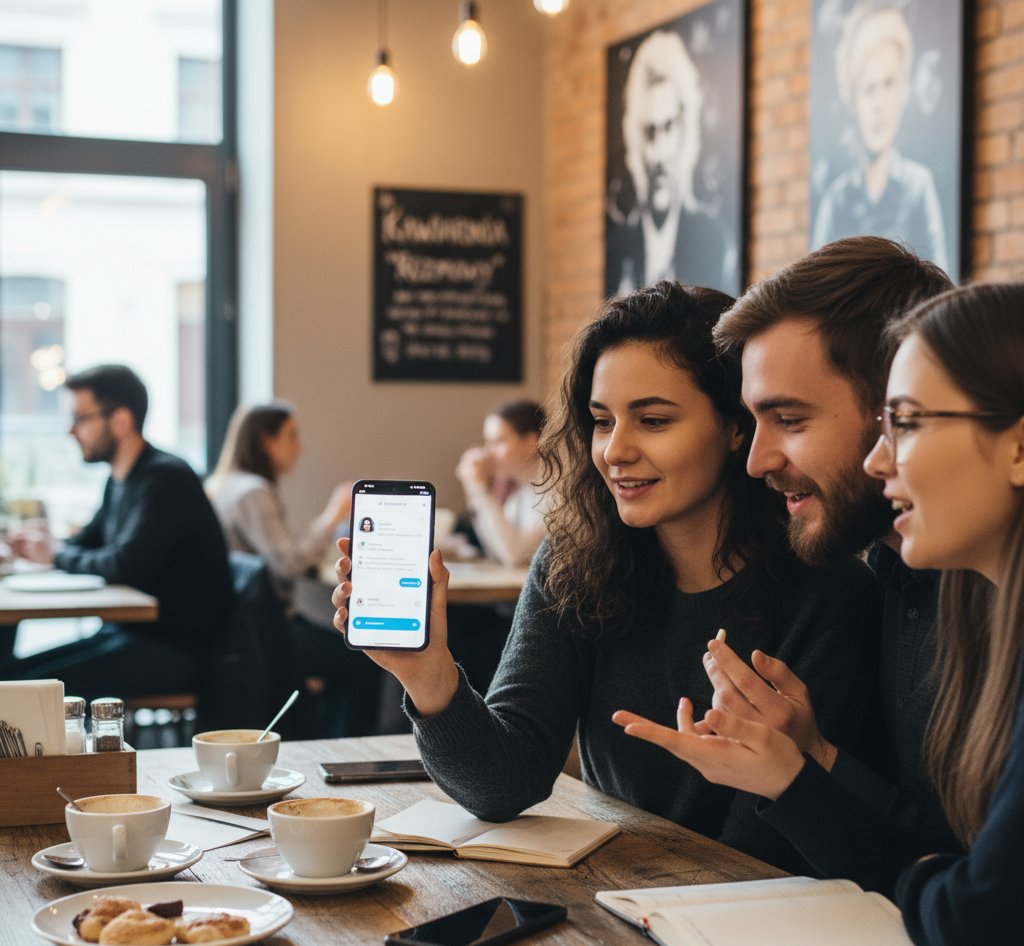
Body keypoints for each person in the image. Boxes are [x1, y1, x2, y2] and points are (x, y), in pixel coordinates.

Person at [332, 281, 880, 872]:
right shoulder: (577, 565)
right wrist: (428, 673)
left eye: (652, 420)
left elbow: (761, 855)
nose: (615, 451)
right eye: (601, 421)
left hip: (753, 926)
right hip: (620, 902)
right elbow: (504, 784)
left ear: (734, 427)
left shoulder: (827, 593)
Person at [620, 282, 1024, 946]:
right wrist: (803, 770)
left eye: (906, 422)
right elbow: (951, 865)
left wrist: (942, 879)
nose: (879, 457)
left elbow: (985, 924)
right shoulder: (923, 590)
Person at [612, 237, 955, 886]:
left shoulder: (987, 593)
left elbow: (971, 889)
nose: (756, 462)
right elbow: (928, 857)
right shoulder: (890, 575)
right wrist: (812, 758)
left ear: (897, 410)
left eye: (789, 419)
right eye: (753, 421)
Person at [0, 364, 233, 701]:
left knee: (20, 692)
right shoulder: (120, 479)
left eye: (80, 419)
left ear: (121, 420)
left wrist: (55, 553)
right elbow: (88, 543)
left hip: (176, 651)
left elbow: (125, 564)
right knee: (11, 680)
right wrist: (39, 544)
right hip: (129, 635)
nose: (71, 432)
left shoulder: (165, 478)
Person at [205, 402, 381, 737]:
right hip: (260, 632)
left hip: (242, 626)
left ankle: (327, 739)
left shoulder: (227, 485)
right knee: (361, 656)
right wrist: (333, 514)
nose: (298, 446)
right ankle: (343, 748)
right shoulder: (252, 492)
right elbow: (289, 563)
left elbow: (286, 549)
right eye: (291, 436)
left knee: (344, 649)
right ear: (265, 441)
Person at [812, 3, 948, 272]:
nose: (879, 104)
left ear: (903, 91)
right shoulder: (836, 202)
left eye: (889, 84)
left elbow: (940, 286)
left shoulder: (920, 187)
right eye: (869, 89)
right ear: (853, 100)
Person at [605, 29, 735, 296]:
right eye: (649, 132)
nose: (659, 154)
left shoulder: (714, 241)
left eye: (668, 128)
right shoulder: (618, 248)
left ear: (685, 133)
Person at [455, 400, 547, 568]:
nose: (487, 452)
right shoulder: (522, 493)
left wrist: (481, 491)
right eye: (487, 442)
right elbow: (495, 550)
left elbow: (515, 556)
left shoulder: (557, 494)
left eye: (498, 442)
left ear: (530, 442)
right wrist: (474, 491)